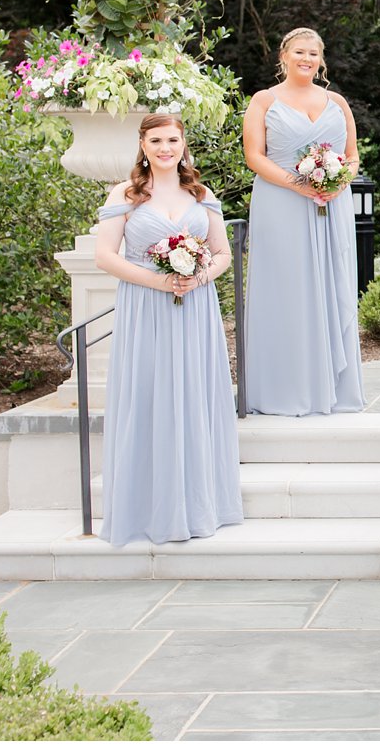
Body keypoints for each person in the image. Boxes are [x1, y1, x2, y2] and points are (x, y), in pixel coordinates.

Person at [94, 114, 243, 546]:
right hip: (146, 308)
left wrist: (199, 277)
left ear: (183, 144)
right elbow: (107, 256)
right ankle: (148, 509)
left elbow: (222, 253)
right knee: (151, 395)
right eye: (156, 140)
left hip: (195, 308)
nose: (165, 148)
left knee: (195, 395)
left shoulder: (200, 193)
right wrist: (159, 280)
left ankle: (199, 506)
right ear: (142, 144)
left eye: (172, 140)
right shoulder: (125, 194)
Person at [241, 27, 366, 416]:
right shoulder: (264, 100)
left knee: (333, 284)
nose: (306, 59)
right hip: (281, 204)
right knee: (287, 289)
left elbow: (352, 155)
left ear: (321, 59)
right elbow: (254, 157)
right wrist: (299, 184)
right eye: (299, 52)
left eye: (313, 53)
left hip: (331, 206)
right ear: (284, 56)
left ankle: (334, 388)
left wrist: (337, 181)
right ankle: (284, 389)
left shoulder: (337, 102)